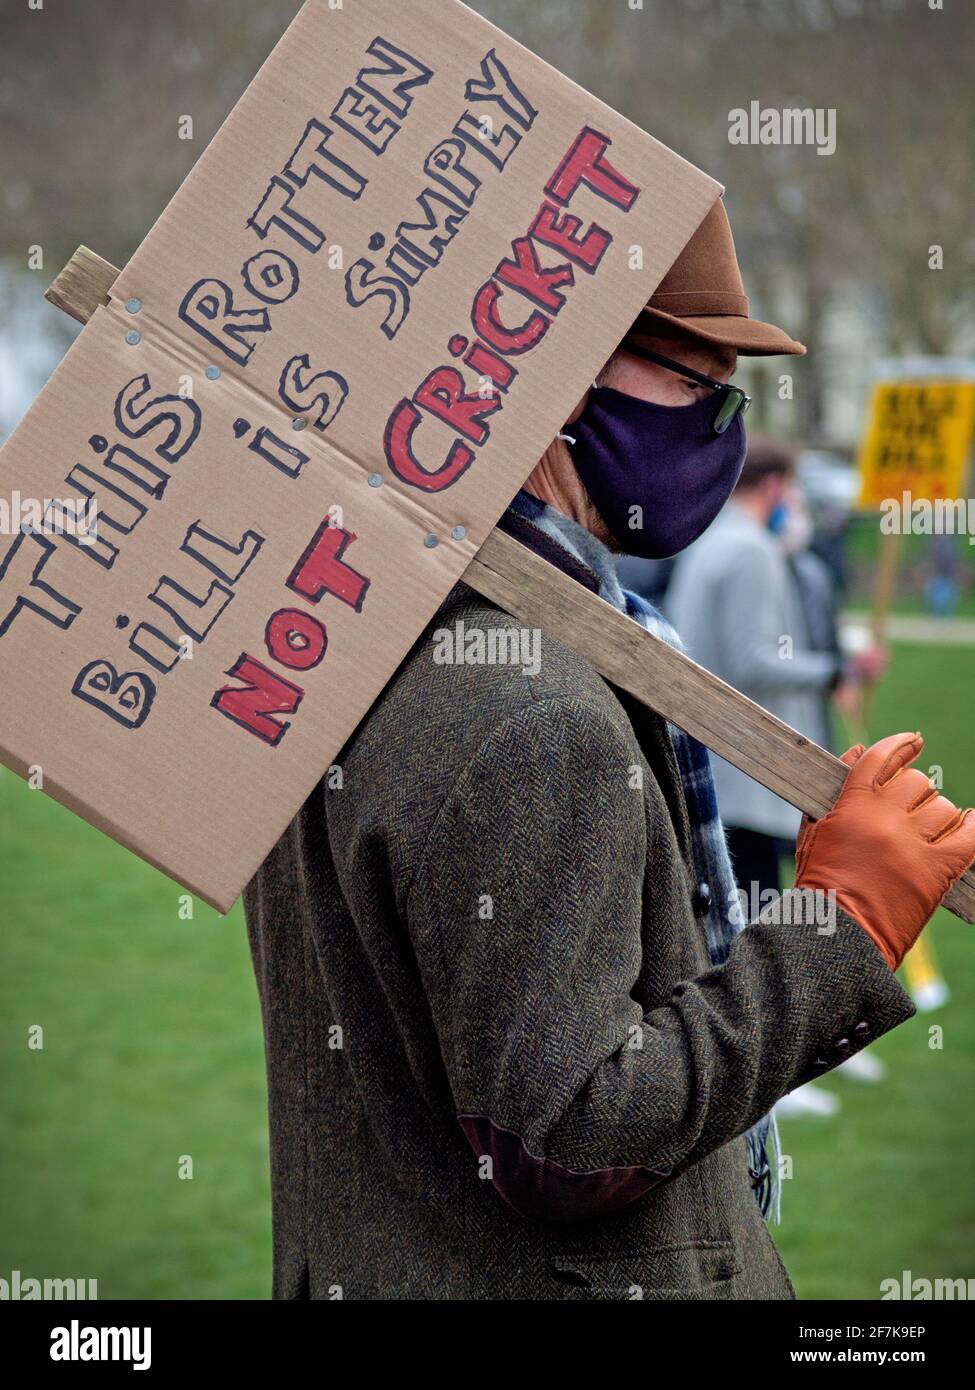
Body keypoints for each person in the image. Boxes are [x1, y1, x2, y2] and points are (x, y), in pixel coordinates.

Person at [243, 199, 975, 1300]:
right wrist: (843, 927)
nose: (719, 423)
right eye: (691, 379)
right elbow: (571, 1134)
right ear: (554, 377)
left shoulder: (365, 635)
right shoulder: (527, 712)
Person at [666, 436, 886, 903]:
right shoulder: (750, 549)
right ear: (773, 487)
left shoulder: (711, 540)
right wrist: (833, 672)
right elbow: (754, 662)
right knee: (751, 939)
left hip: (720, 774)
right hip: (746, 780)